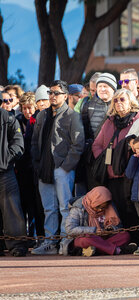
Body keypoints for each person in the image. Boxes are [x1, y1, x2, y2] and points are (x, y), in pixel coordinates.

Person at [31, 80, 85, 255]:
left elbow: (78, 144)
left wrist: (65, 167)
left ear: (65, 95)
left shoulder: (72, 116)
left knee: (64, 207)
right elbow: (34, 142)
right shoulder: (41, 115)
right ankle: (50, 243)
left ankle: (65, 241)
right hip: (43, 168)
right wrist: (37, 163)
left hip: (62, 168)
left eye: (56, 93)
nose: (52, 96)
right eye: (50, 93)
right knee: (49, 208)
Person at [91, 88, 139, 239]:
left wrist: (126, 157)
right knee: (117, 207)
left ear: (131, 102)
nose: (119, 103)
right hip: (112, 174)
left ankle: (137, 241)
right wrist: (109, 161)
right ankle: (123, 241)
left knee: (132, 208)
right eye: (116, 100)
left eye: (122, 99)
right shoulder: (109, 122)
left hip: (130, 173)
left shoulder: (138, 119)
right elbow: (96, 145)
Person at [65, 186, 136, 256]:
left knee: (125, 235)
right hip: (88, 237)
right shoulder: (78, 208)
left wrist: (111, 229)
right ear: (93, 201)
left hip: (103, 239)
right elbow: (70, 229)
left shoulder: (110, 207)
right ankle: (117, 250)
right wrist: (93, 230)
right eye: (98, 207)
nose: (100, 210)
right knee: (86, 240)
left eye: (103, 208)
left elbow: (119, 226)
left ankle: (94, 250)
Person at [80, 72, 117, 192]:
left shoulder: (120, 104)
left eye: (105, 86)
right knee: (96, 194)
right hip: (93, 158)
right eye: (99, 86)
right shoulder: (87, 106)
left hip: (115, 158)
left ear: (113, 88)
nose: (101, 89)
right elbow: (83, 131)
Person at [15, 92, 45, 242]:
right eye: (24, 108)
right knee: (24, 205)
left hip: (36, 168)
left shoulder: (39, 120)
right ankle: (26, 237)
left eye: (30, 108)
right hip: (21, 170)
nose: (27, 111)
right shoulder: (16, 121)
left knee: (37, 206)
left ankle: (39, 236)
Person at [0, 93, 27, 257]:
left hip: (5, 172)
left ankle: (17, 245)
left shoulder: (8, 118)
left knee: (12, 209)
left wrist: (6, 160)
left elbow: (18, 143)